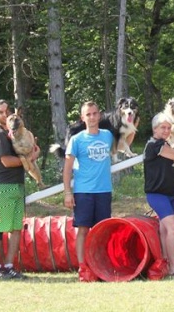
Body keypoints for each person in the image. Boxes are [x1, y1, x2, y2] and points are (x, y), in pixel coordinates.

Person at [0, 100, 39, 280]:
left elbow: (23, 152)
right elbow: (7, 162)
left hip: (17, 184)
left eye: (5, 111)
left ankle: (9, 266)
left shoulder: (13, 132)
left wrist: (31, 151)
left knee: (16, 228)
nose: (3, 115)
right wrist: (30, 158)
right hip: (1, 184)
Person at [62, 101, 114, 271]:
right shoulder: (77, 140)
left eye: (94, 113)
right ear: (83, 118)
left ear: (99, 115)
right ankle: (83, 266)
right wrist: (68, 193)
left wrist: (133, 121)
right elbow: (67, 168)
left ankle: (101, 265)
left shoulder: (107, 135)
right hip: (83, 191)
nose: (92, 117)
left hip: (104, 191)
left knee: (102, 231)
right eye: (88, 114)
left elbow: (123, 143)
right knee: (83, 230)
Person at [144, 112, 174, 276]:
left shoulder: (164, 144)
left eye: (169, 128)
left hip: (169, 194)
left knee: (164, 230)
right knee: (173, 228)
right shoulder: (154, 145)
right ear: (155, 128)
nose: (166, 130)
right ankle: (173, 267)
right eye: (163, 127)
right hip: (157, 194)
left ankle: (163, 262)